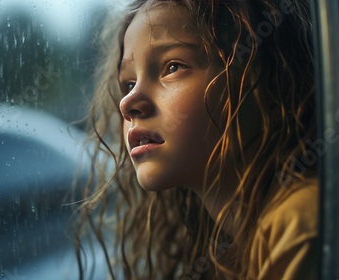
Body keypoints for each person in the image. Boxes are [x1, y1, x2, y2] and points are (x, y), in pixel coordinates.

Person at [74, 0, 318, 279]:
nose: (127, 103)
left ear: (272, 89)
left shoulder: (298, 222)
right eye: (128, 84)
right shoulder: (228, 252)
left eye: (173, 67)